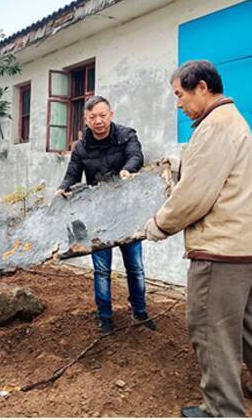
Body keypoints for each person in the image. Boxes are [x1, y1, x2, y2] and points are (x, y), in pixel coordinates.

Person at [144, 60, 252, 418]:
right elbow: (217, 172)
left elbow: (195, 195)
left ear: (201, 88)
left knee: (210, 328)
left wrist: (158, 225)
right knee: (248, 321)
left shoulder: (214, 127)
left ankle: (221, 409)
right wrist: (181, 164)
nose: (178, 104)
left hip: (224, 250)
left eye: (180, 95)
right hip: (251, 244)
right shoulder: (231, 121)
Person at [55, 95, 156, 334]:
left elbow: (136, 156)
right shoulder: (81, 147)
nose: (98, 121)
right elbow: (73, 174)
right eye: (93, 117)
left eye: (102, 115)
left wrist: (127, 170)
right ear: (86, 120)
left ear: (110, 115)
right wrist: (62, 188)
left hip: (127, 212)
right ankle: (105, 317)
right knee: (101, 269)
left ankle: (140, 312)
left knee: (135, 267)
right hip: (97, 215)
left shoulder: (126, 135)